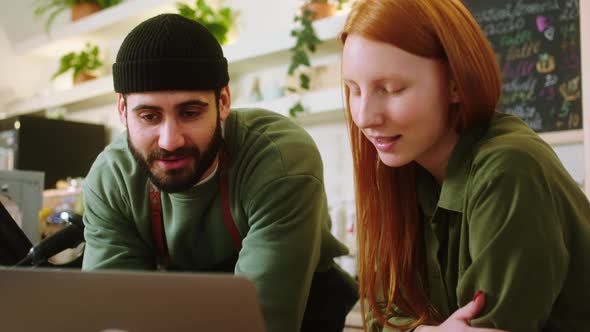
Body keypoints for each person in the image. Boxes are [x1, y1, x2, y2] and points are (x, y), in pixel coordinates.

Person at [81, 13, 358, 332]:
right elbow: (115, 314)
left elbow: (261, 320)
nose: (170, 141)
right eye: (149, 116)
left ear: (223, 102)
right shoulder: (111, 179)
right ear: (122, 111)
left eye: (190, 113)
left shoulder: (279, 158)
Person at [339, 0, 590, 331]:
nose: (365, 117)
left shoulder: (508, 169)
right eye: (354, 90)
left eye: (391, 89)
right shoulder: (403, 168)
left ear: (457, 81)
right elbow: (380, 312)